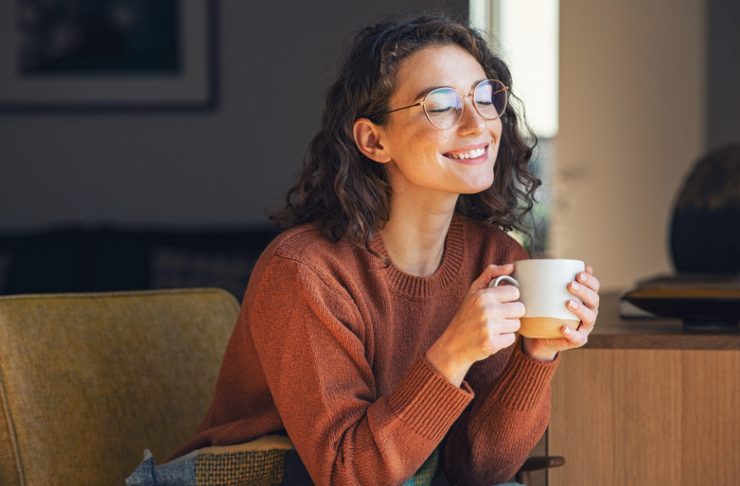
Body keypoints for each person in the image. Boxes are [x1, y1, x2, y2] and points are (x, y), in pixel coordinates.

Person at [131, 14, 600, 486]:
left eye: (485, 96)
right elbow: (346, 474)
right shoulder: (304, 270)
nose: (477, 122)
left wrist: (535, 357)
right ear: (374, 140)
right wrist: (452, 353)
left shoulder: (494, 261)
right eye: (440, 105)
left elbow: (476, 472)